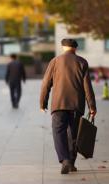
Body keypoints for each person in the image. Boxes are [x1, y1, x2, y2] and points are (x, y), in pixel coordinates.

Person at [40, 38, 97, 175]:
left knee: (58, 132)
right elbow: (87, 87)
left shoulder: (55, 61)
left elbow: (46, 83)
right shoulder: (82, 62)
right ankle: (71, 163)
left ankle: (64, 159)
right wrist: (92, 107)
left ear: (63, 47)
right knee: (74, 134)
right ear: (75, 48)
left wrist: (43, 103)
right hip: (76, 105)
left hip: (58, 104)